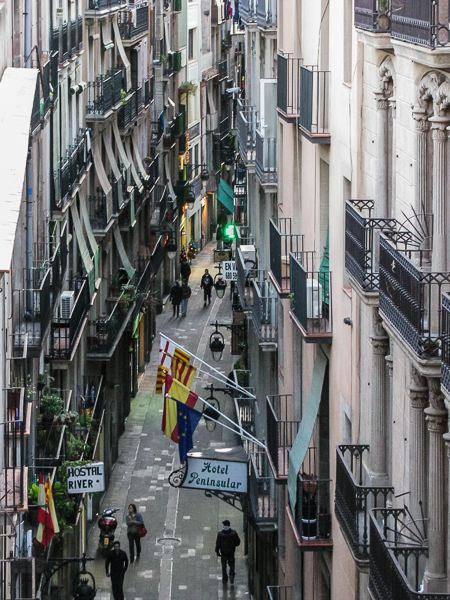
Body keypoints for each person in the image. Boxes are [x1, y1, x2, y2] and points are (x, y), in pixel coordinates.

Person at [215, 519, 240, 584]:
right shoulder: (234, 533)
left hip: (223, 553)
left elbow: (218, 544)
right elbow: (238, 542)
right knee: (232, 565)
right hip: (231, 552)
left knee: (224, 566)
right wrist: (233, 545)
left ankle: (225, 579)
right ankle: (231, 575)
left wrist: (217, 551)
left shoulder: (220, 534)